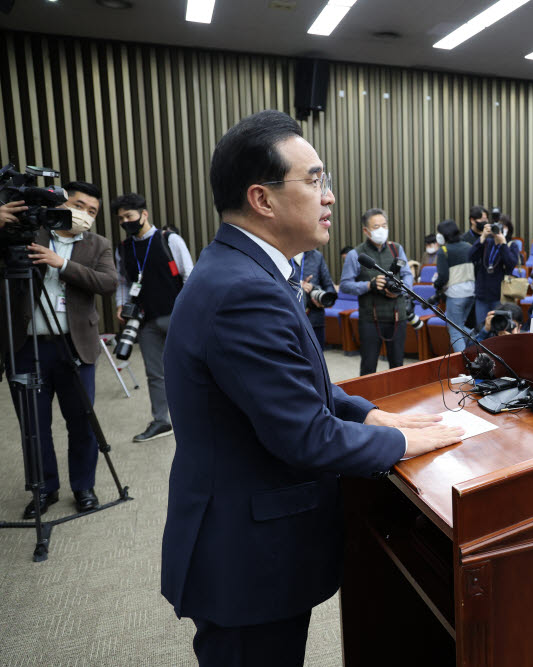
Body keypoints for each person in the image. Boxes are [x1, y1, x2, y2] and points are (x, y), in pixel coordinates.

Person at [160, 110, 463, 666]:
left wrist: (374, 417)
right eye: (315, 179)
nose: (328, 195)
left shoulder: (245, 269)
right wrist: (410, 443)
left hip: (244, 536)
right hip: (246, 557)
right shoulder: (243, 291)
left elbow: (306, 385)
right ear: (263, 198)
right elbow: (306, 435)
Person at [0, 181, 117, 518]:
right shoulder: (26, 231)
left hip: (75, 348)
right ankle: (43, 489)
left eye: (91, 211)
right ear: (62, 203)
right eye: (78, 205)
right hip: (25, 346)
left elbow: (108, 283)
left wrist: (61, 264)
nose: (84, 214)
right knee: (33, 426)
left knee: (81, 423)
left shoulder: (99, 245)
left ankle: (84, 486)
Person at [112, 192, 195, 442]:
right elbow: (123, 282)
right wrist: (121, 304)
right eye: (121, 218)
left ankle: (201, 417)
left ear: (144, 214)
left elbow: (189, 276)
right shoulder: (124, 249)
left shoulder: (169, 240)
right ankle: (162, 421)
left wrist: (190, 313)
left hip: (176, 316)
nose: (126, 221)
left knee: (192, 369)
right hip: (146, 321)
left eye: (129, 216)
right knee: (155, 374)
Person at [340, 207, 414, 376]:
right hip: (370, 319)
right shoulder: (356, 254)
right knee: (368, 365)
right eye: (376, 227)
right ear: (366, 230)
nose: (381, 230)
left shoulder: (397, 249)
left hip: (397, 316)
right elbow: (345, 285)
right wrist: (369, 285)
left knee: (398, 365)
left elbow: (408, 276)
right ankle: (367, 402)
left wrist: (399, 289)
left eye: (384, 225)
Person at [432, 219, 475, 352]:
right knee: (459, 326)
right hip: (471, 292)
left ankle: (464, 362)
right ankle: (480, 338)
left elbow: (443, 276)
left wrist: (436, 285)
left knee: (455, 330)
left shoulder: (444, 250)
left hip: (455, 295)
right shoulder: (468, 246)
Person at [469, 213, 517, 327]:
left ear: (508, 229)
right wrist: (482, 237)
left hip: (500, 295)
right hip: (482, 294)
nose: (499, 230)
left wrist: (503, 244)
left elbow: (511, 264)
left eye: (503, 227)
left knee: (499, 329)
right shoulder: (486, 243)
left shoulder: (511, 245)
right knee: (482, 328)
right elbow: (471, 257)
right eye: (497, 226)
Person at [292, 247, 337, 348]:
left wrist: (321, 298)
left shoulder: (317, 256)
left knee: (317, 361)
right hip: (290, 321)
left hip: (315, 320)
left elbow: (329, 287)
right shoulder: (281, 255)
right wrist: (297, 286)